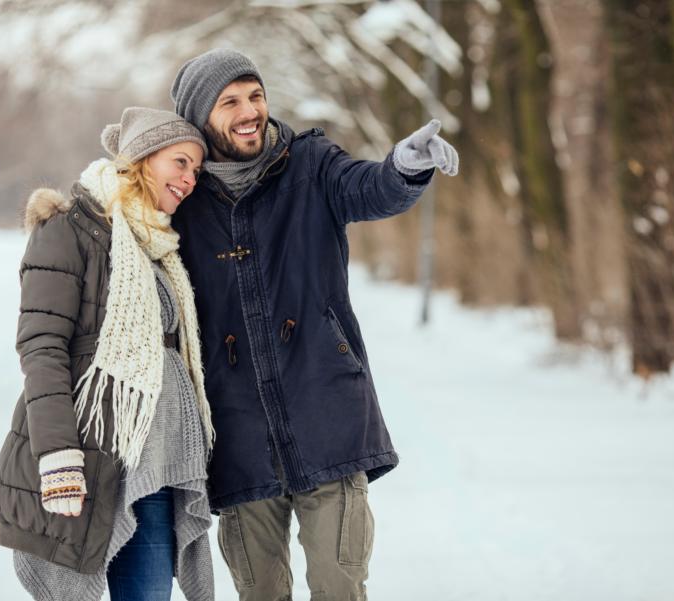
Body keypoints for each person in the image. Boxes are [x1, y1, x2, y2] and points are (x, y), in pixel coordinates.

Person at [168, 49, 459, 600]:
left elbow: (369, 188)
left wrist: (405, 165)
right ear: (198, 117)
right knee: (260, 592)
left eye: (255, 95)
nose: (249, 110)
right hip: (237, 436)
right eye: (229, 102)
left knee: (338, 585)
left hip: (327, 413)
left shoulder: (310, 163)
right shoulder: (183, 198)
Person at [0, 107, 216, 601]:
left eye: (196, 170)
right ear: (141, 159)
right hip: (89, 467)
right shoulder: (68, 231)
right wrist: (58, 458)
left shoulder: (161, 249)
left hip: (153, 471)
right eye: (181, 162)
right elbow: (41, 346)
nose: (189, 179)